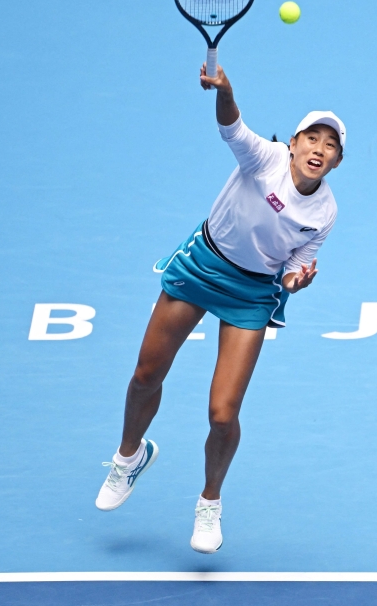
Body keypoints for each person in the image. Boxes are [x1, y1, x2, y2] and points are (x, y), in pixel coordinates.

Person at [94, 63, 345, 554]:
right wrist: (225, 90)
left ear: (336, 162)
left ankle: (210, 502)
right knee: (146, 374)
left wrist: (298, 281)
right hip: (202, 265)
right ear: (293, 144)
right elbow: (231, 124)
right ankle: (130, 455)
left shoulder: (325, 212)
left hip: (251, 293)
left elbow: (293, 270)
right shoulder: (263, 158)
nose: (319, 148)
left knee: (223, 413)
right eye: (311, 138)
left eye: (330, 144)